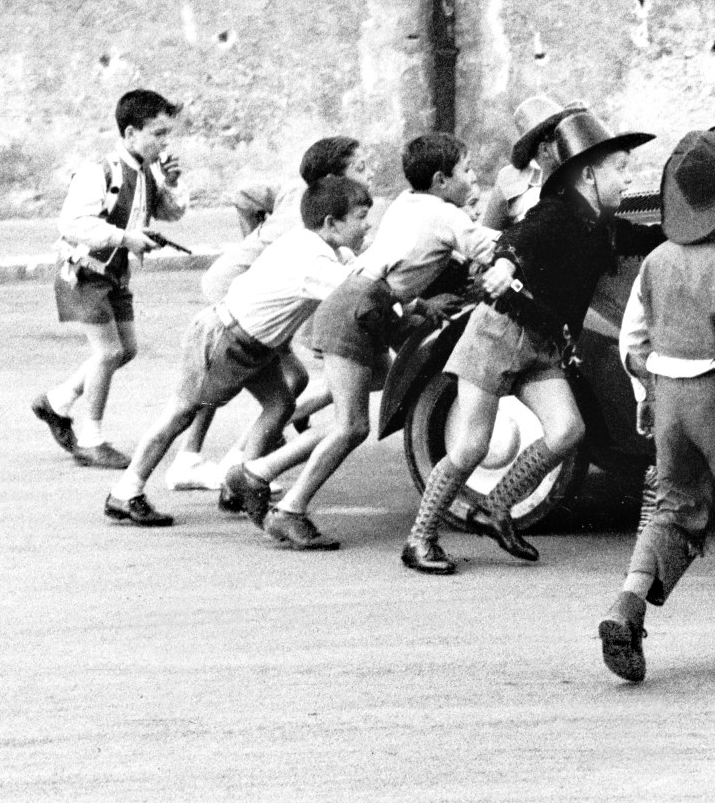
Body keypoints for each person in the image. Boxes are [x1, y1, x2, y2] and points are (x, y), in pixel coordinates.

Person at [401, 109, 659, 575]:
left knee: (566, 431)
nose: (626, 179)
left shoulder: (598, 222)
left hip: (542, 343)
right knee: (471, 447)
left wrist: (699, 229)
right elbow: (516, 241)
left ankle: (496, 506)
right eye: (618, 169)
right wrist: (502, 268)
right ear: (587, 174)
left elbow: (644, 238)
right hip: (498, 334)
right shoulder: (557, 211)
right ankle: (419, 539)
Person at [234, 134, 499, 550]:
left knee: (374, 390)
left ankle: (259, 470)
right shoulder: (446, 215)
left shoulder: (408, 203)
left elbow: (399, 267)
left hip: (363, 304)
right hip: (357, 312)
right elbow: (482, 245)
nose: (474, 177)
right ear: (442, 180)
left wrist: (416, 306)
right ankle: (288, 508)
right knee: (352, 425)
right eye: (466, 170)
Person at [599, 117, 715, 683]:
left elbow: (632, 338)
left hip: (668, 400)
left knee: (675, 506)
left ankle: (627, 606)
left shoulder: (656, 260)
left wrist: (645, 392)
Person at [101, 176, 371, 527]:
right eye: (362, 216)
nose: (368, 224)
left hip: (254, 342)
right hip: (225, 338)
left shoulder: (319, 244)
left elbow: (354, 268)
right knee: (181, 413)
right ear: (331, 223)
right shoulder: (314, 260)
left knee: (280, 404)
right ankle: (126, 491)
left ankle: (242, 484)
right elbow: (357, 293)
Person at [173, 135, 365, 492]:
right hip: (238, 291)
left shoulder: (300, 193)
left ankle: (235, 459)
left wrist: (252, 236)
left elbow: (245, 195)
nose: (367, 176)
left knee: (287, 380)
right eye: (359, 168)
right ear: (331, 180)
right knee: (238, 374)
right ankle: (212, 459)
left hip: (245, 286)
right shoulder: (316, 226)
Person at [32, 88, 186, 470]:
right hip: (86, 272)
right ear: (131, 134)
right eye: (158, 133)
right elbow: (72, 224)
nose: (165, 142)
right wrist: (126, 238)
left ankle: (57, 402)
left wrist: (171, 184)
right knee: (109, 353)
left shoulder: (147, 171)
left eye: (168, 133)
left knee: (127, 349)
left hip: (114, 272)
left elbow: (170, 213)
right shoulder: (101, 172)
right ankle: (91, 439)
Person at [478, 94, 587, 231]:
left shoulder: (579, 168)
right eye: (561, 137)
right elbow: (489, 234)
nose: (568, 142)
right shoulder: (510, 180)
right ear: (545, 149)